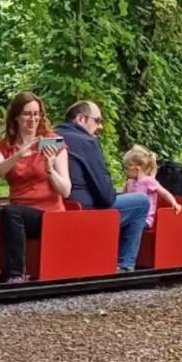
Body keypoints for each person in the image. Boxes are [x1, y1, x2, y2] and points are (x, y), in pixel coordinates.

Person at [0, 92, 71, 284]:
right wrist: (18, 155)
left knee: (12, 213)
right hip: (17, 215)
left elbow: (66, 190)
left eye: (36, 114)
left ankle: (16, 273)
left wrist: (50, 169)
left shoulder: (52, 142)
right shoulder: (5, 146)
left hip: (47, 215)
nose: (33, 119)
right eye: (27, 114)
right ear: (17, 117)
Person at [54, 100, 150, 270]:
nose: (100, 127)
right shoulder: (87, 142)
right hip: (84, 212)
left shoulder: (51, 137)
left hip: (59, 207)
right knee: (141, 202)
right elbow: (106, 196)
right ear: (81, 119)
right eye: (97, 121)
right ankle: (124, 265)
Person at [123, 144, 182, 228]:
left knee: (130, 225)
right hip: (131, 217)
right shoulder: (129, 182)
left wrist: (174, 203)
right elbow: (123, 198)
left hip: (144, 219)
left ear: (136, 168)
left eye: (126, 168)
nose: (124, 171)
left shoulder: (149, 181)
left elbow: (164, 193)